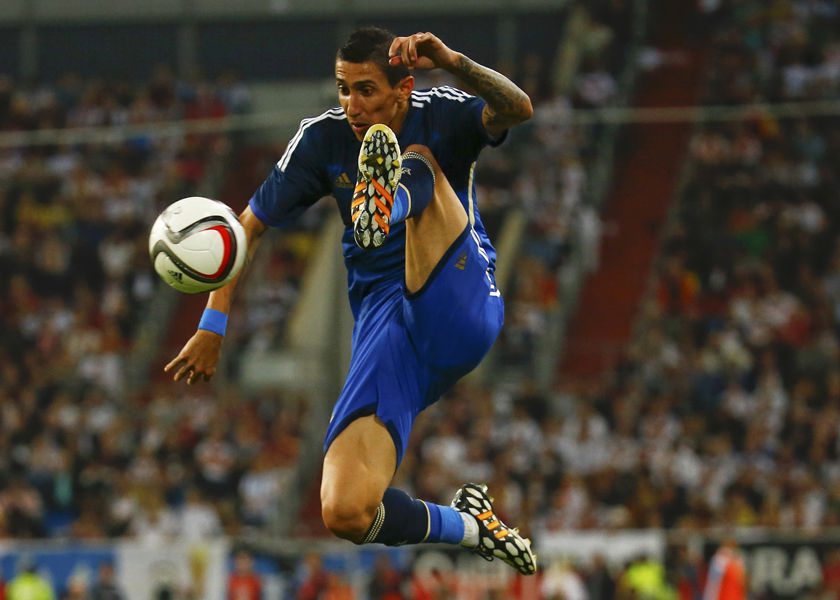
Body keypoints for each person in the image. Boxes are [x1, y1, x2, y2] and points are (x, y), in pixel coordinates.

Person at [165, 26, 535, 574]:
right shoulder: (323, 138)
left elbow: (518, 109)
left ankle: (388, 206)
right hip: (385, 325)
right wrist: (211, 326)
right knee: (345, 510)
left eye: (366, 90)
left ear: (403, 88)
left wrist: (453, 60)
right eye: (343, 89)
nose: (351, 105)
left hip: (458, 293)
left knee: (420, 158)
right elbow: (245, 229)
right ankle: (470, 526)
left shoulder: (440, 110)